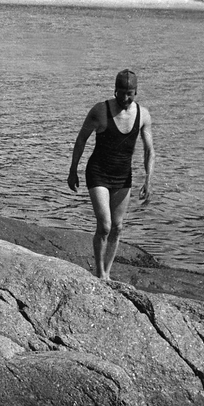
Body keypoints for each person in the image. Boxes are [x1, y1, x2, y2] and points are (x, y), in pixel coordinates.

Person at [67, 69, 155, 280]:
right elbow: (81, 140)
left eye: (130, 93)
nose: (125, 98)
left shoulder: (143, 114)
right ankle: (99, 272)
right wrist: (73, 170)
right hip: (98, 172)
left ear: (136, 92)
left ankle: (107, 272)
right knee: (105, 225)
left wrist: (148, 179)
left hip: (123, 176)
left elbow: (149, 149)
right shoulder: (100, 110)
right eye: (122, 93)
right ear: (115, 90)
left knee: (117, 227)